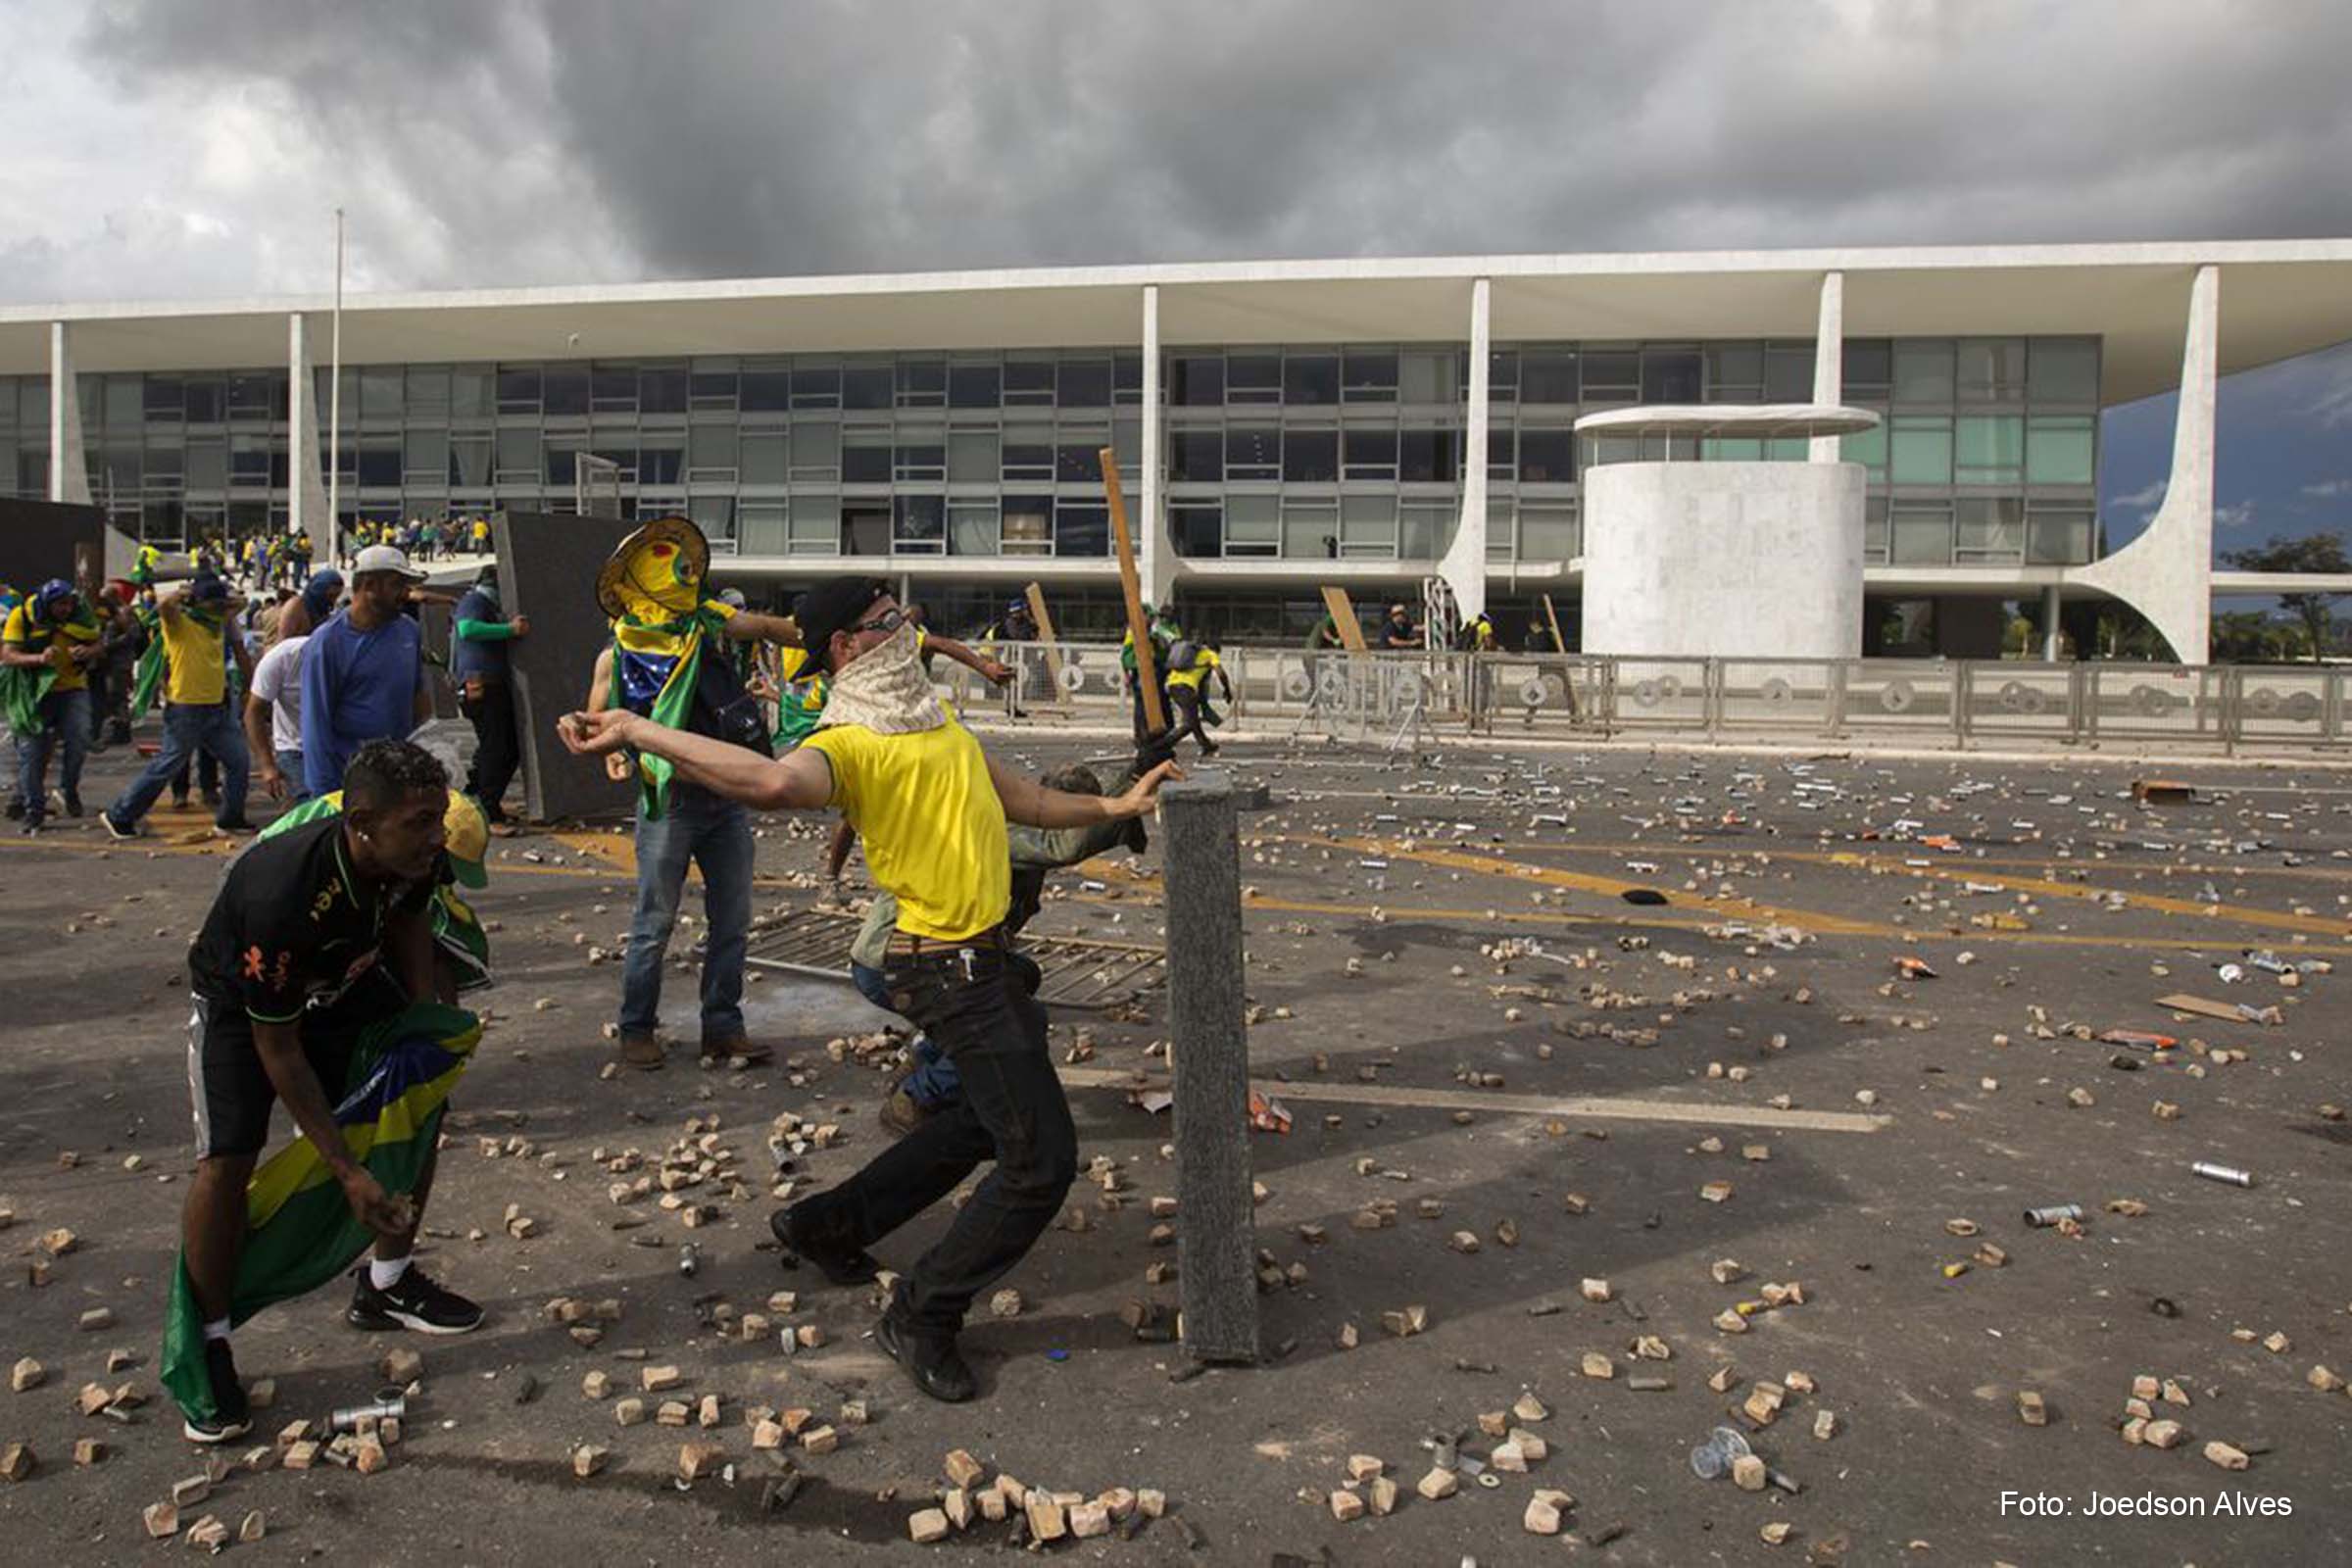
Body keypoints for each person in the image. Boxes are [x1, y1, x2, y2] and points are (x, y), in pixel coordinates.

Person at [559, 576, 1175, 1404]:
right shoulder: (847, 742)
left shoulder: (938, 724)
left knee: (977, 1123)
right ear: (845, 648)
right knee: (1041, 1161)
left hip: (981, 961)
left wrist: (1116, 800)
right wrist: (637, 727)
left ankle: (826, 1226)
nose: (905, 629)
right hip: (943, 966)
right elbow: (769, 782)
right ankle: (922, 1314)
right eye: (885, 622)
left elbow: (1024, 799)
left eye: (902, 614)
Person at [172, 739, 485, 1443]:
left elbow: (408, 917)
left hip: (342, 980)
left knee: (417, 1098)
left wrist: (415, 1022)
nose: (437, 838)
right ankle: (211, 1342)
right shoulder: (280, 894)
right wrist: (346, 1170)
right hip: (247, 1011)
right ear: (360, 821)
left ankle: (389, 1282)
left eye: (440, 818)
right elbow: (278, 1051)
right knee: (227, 1160)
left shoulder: (413, 855)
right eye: (419, 823)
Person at [597, 517, 801, 1072]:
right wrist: (612, 750)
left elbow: (765, 626)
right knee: (653, 923)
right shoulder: (618, 654)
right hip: (669, 802)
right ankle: (636, 1029)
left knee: (731, 920)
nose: (682, 573)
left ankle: (722, 1028)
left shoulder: (708, 625)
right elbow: (599, 719)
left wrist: (829, 631)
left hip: (726, 799)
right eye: (667, 565)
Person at [857, 760, 1152, 1135]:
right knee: (1017, 1027)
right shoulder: (1007, 827)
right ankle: (917, 1098)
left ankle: (931, 1056)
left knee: (1020, 977)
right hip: (896, 960)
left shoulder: (1025, 836)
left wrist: (1137, 772)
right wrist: (1124, 798)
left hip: (926, 955)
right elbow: (1065, 845)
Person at [103, 572, 256, 838]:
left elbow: (240, 603)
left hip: (216, 706)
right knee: (167, 765)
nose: (221, 608)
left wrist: (218, 596)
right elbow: (164, 607)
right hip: (187, 707)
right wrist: (185, 594)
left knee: (239, 761)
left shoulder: (217, 623)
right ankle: (120, 814)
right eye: (214, 604)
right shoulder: (179, 623)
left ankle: (231, 818)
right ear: (198, 603)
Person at [300, 546, 432, 802]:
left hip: (397, 776)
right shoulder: (327, 643)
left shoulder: (408, 631)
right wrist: (325, 796)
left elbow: (418, 698)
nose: (406, 594)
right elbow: (316, 725)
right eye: (397, 585)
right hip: (350, 778)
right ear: (369, 585)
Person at [1, 579, 102, 832]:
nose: (65, 610)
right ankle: (33, 809)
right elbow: (8, 655)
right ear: (47, 604)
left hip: (72, 688)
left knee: (79, 740)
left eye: (69, 604)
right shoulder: (22, 615)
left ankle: (69, 789)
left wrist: (87, 652)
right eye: (60, 605)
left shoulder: (82, 614)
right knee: (32, 753)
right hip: (34, 693)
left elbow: (99, 644)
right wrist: (39, 658)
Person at [452, 565, 529, 829]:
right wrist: (509, 630)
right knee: (499, 748)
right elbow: (467, 629)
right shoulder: (475, 600)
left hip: (491, 685)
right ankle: (486, 808)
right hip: (481, 685)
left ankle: (481, 799)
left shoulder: (485, 605)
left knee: (500, 747)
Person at [245, 631, 310, 805]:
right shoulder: (281, 659)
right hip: (294, 747)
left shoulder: (346, 658)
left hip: (335, 746)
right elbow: (253, 713)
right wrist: (267, 766)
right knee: (310, 802)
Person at [1163, 633, 1233, 758]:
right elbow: (1221, 673)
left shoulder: (1194, 652)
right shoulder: (1210, 654)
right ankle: (1161, 746)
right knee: (1189, 723)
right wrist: (1227, 690)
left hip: (1172, 685)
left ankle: (1206, 745)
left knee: (1193, 719)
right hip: (1185, 687)